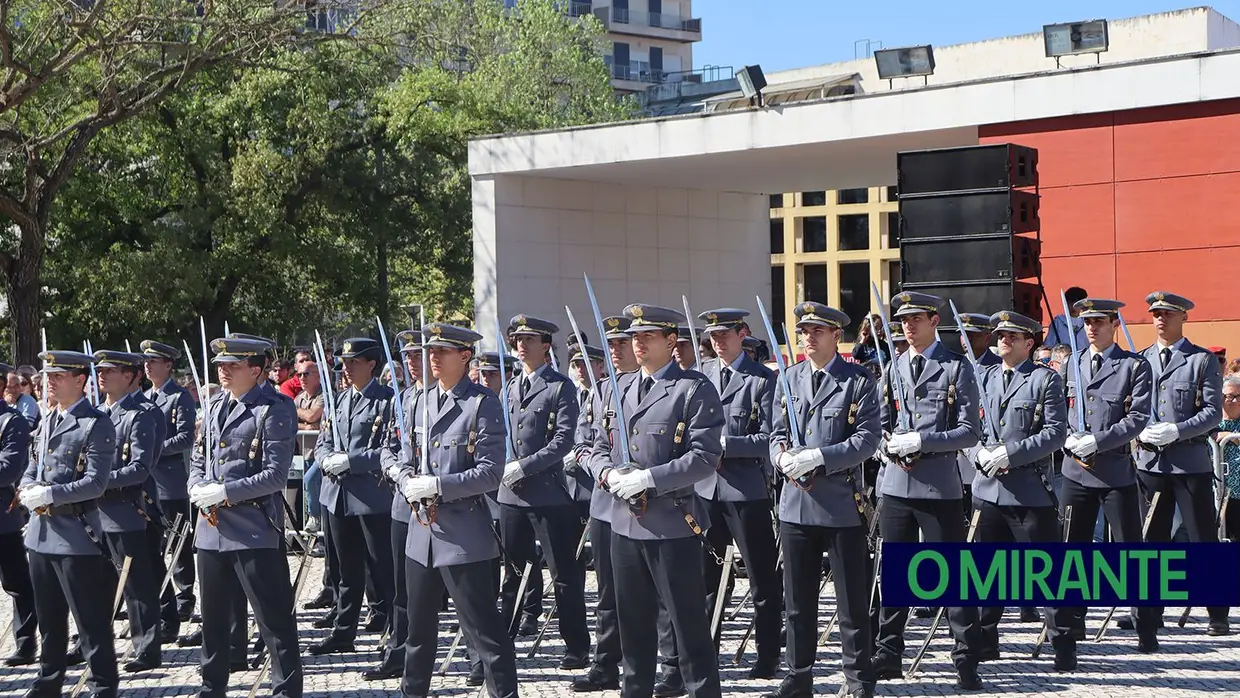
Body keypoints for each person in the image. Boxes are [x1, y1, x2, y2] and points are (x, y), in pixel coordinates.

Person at [587, 304, 725, 698]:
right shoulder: (618, 387)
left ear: (671, 340)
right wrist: (608, 474)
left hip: (671, 525)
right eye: (635, 336)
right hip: (623, 524)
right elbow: (596, 446)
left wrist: (649, 478)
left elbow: (704, 457)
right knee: (633, 628)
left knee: (688, 628)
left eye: (648, 335)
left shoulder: (693, 389)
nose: (638, 342)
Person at [396, 321, 519, 698]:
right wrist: (404, 478)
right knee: (417, 634)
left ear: (464, 356)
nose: (432, 357)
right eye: (430, 351)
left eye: (442, 351)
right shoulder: (417, 401)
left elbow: (490, 472)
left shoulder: (481, 403)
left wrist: (438, 486)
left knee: (485, 633)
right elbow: (403, 455)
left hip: (463, 536)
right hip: (421, 536)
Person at [764, 302, 880, 698]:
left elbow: (867, 439)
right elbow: (776, 432)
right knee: (798, 603)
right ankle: (798, 676)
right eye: (804, 331)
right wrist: (780, 457)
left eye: (817, 331)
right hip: (795, 506)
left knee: (851, 603)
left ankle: (859, 679)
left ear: (836, 336)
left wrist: (819, 457)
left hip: (840, 505)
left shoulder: (857, 380)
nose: (808, 337)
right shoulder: (788, 378)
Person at [874, 291, 985, 691]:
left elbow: (969, 431)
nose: (908, 326)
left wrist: (922, 441)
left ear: (934, 321)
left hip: (939, 486)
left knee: (952, 575)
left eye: (916, 319)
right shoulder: (893, 367)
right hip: (896, 485)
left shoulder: (955, 367)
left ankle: (966, 657)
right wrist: (888, 444)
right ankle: (888, 652)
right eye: (903, 320)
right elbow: (881, 423)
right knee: (895, 574)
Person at [188, 336, 301, 698]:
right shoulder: (213, 407)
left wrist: (225, 491)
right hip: (211, 529)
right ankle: (212, 687)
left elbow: (275, 475)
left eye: (232, 365)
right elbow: (198, 459)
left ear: (255, 370)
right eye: (220, 365)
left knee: (273, 619)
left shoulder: (274, 408)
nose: (223, 371)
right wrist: (196, 486)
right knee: (213, 619)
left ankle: (286, 689)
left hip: (254, 528)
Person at [964, 312, 1075, 668]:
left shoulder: (1044, 379)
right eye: (1000, 335)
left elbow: (1055, 433)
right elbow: (969, 428)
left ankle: (1063, 643)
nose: (1004, 340)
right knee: (987, 573)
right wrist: (978, 453)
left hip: (1029, 491)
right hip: (988, 489)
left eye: (1012, 336)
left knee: (1048, 572)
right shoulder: (984, 377)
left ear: (1029, 343)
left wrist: (1011, 453)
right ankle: (986, 640)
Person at [19, 350, 119, 698]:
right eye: (49, 376)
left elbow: (96, 482)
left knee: (90, 620)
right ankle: (49, 682)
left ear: (80, 380)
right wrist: (28, 487)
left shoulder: (95, 423)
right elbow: (32, 466)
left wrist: (51, 494)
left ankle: (103, 685)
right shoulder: (47, 419)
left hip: (75, 534)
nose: (50, 382)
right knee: (49, 619)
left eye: (58, 376)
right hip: (40, 535)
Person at [1057, 298, 1155, 650]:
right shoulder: (1072, 363)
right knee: (1073, 551)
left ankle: (1146, 624)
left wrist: (1097, 442)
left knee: (1131, 552)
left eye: (1099, 321)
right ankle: (1073, 621)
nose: (1092, 328)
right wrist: (1070, 438)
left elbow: (1137, 418)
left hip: (1115, 471)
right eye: (1087, 322)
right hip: (1075, 472)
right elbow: (1062, 411)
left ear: (1115, 324)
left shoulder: (1134, 366)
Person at [693, 308, 782, 680]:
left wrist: (726, 445)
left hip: (746, 491)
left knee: (761, 578)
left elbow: (770, 437)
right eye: (712, 335)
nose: (717, 341)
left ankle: (768, 655)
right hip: (706, 490)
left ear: (742, 334)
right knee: (707, 579)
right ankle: (706, 651)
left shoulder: (762, 380)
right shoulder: (700, 376)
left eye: (724, 334)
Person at [1133, 292, 1228, 636]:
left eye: (1168, 314)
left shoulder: (1200, 360)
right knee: (1152, 542)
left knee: (1203, 540)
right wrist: (1141, 430)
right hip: (1151, 464)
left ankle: (1217, 612)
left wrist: (1177, 430)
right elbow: (1133, 408)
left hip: (1189, 464)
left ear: (1183, 317)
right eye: (1156, 314)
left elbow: (1212, 412)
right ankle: (1150, 613)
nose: (1160, 319)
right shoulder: (1141, 360)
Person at [497, 315, 590, 669]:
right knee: (513, 572)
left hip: (547, 494)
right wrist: (505, 464)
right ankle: (503, 642)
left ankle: (576, 646)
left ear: (546, 345)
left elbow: (563, 439)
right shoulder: (510, 387)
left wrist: (524, 466)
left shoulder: (560, 387)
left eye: (529, 339)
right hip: (511, 495)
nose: (521, 345)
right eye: (518, 339)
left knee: (563, 573)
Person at [310, 337, 396, 656]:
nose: (345, 368)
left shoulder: (387, 401)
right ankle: (344, 631)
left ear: (371, 365)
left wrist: (352, 461)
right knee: (345, 570)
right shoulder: (339, 400)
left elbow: (389, 449)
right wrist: (326, 459)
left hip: (372, 497)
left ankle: (394, 630)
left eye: (353, 362)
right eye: (344, 363)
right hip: (337, 495)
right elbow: (323, 441)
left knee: (383, 568)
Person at [571, 316, 639, 693]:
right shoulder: (601, 391)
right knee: (608, 593)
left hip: (646, 504)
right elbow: (584, 444)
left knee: (654, 593)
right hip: (605, 503)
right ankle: (606, 664)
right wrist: (605, 471)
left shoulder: (655, 387)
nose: (614, 350)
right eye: (610, 344)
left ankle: (668, 664)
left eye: (621, 343)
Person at [94, 350, 167, 672]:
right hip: (92, 511)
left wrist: (97, 482)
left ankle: (147, 647)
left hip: (126, 508)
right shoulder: (97, 413)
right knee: (95, 583)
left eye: (109, 370)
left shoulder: (140, 415)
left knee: (137, 583)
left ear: (129, 376)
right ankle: (92, 641)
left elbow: (140, 467)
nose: (101, 375)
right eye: (100, 370)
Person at [366, 329, 425, 681]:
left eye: (418, 355)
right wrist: (396, 472)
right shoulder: (402, 399)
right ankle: (398, 652)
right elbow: (389, 445)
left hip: (444, 507)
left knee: (460, 591)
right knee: (401, 588)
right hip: (404, 505)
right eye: (408, 356)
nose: (412, 362)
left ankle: (478, 658)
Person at [140, 340, 199, 634]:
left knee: (178, 542)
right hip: (147, 482)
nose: (148, 366)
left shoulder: (179, 397)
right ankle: (161, 597)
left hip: (171, 480)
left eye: (154, 361)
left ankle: (185, 595)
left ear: (168, 365)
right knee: (153, 545)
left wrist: (151, 450)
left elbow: (185, 437)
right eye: (146, 362)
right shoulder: (144, 397)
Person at [0, 361, 36, 667]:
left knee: (17, 583)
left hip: (3, 517)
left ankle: (25, 644)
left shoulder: (12, 422)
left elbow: (9, 469)